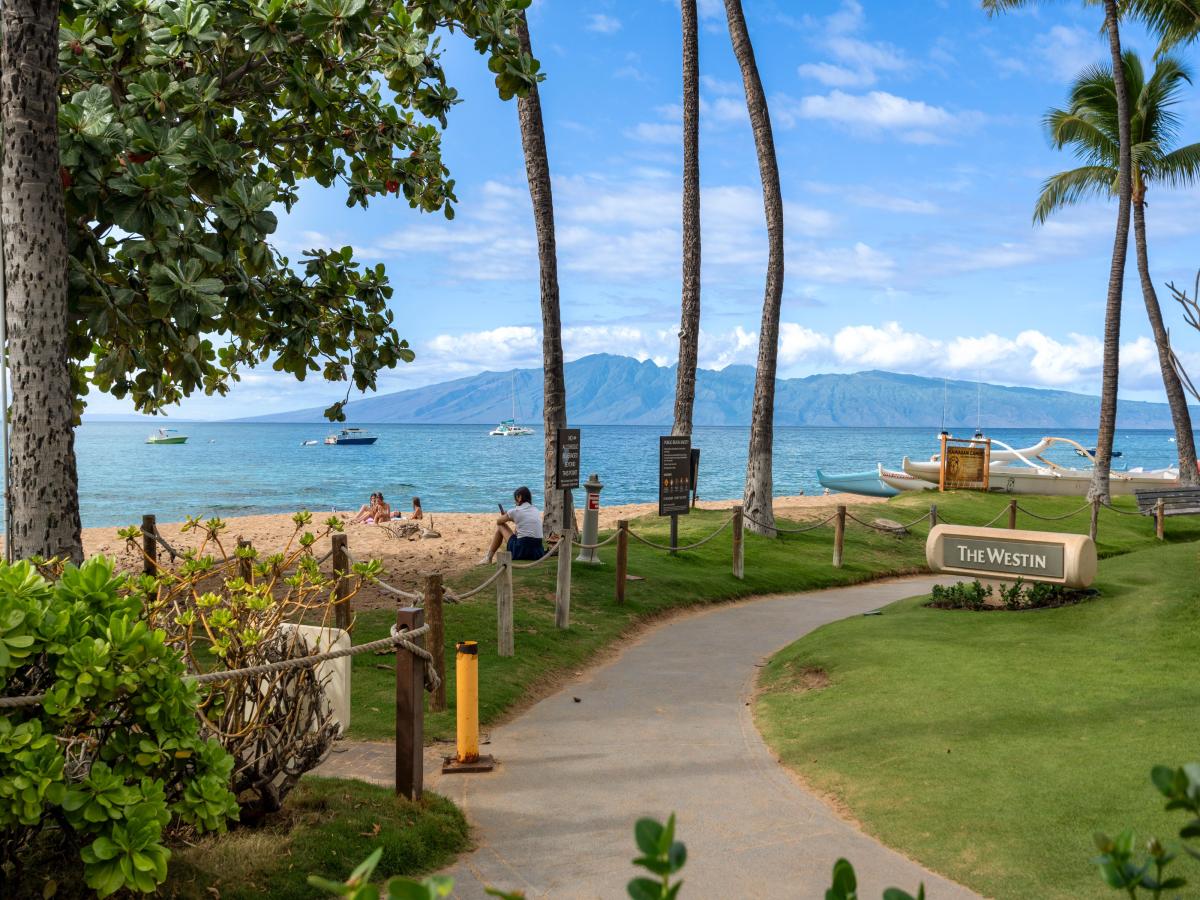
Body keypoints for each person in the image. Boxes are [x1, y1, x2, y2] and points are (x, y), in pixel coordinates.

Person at [481, 486, 543, 564]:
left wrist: (506, 516)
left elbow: (498, 521)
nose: (515, 502)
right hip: (537, 551)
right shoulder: (535, 510)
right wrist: (511, 518)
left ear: (519, 497)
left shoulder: (515, 511)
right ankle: (488, 558)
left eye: (515, 499)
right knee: (518, 531)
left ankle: (488, 558)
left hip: (521, 550)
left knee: (501, 526)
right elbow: (523, 523)